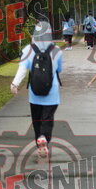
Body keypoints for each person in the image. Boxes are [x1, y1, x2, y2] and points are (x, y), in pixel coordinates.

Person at [11, 21, 63, 159]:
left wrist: (15, 84)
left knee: (37, 120)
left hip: (34, 93)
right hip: (52, 92)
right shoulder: (56, 50)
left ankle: (39, 140)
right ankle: (44, 138)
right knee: (47, 118)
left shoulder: (28, 49)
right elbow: (59, 69)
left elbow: (22, 69)